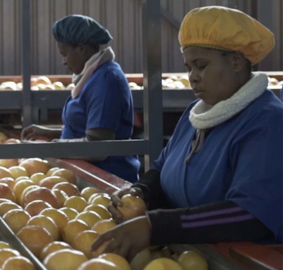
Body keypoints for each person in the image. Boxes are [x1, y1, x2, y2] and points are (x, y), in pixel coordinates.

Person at [92, 6, 283, 260]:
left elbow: (250, 213)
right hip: (188, 254)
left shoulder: (267, 123)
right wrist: (141, 191)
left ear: (236, 61)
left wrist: (157, 226)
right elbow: (162, 167)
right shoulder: (197, 113)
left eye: (201, 66)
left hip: (242, 261)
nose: (192, 77)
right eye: (188, 67)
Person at [21, 15, 140, 183]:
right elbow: (88, 128)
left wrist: (52, 146)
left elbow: (96, 147)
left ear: (82, 49)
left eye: (64, 54)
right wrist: (50, 132)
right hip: (86, 175)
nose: (63, 62)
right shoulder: (93, 76)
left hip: (106, 181)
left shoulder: (106, 80)